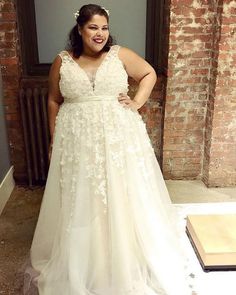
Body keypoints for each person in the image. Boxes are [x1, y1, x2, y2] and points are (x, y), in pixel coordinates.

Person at [23, 4, 196, 295]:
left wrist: (138, 101)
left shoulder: (119, 55)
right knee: (82, 196)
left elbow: (149, 74)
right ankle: (87, 258)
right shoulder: (61, 61)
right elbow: (53, 100)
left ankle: (124, 255)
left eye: (104, 27)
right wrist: (54, 139)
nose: (100, 33)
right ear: (79, 29)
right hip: (76, 138)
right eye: (93, 27)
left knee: (121, 191)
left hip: (118, 138)